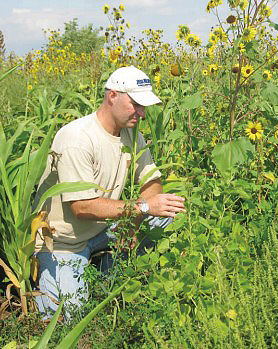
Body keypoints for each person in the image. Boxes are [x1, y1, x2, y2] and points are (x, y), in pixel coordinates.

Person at [34, 65, 186, 319]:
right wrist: (141, 209)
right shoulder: (77, 139)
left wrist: (134, 219)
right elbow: (82, 207)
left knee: (167, 214)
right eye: (136, 104)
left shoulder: (130, 132)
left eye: (144, 106)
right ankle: (89, 274)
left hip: (104, 230)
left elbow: (152, 183)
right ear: (112, 95)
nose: (142, 113)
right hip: (65, 242)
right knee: (68, 317)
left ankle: (107, 268)